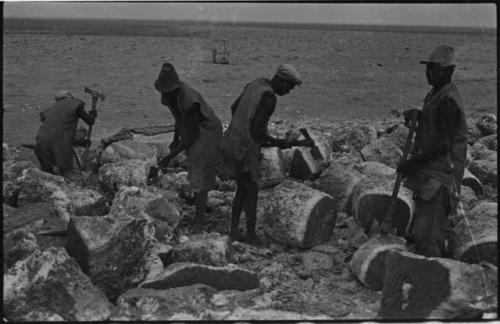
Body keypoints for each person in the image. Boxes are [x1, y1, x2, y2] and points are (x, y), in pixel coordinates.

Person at [218, 64, 312, 245]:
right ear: (283, 81)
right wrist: (282, 143)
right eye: (290, 87)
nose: (289, 92)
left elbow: (234, 107)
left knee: (242, 188)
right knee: (251, 189)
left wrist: (241, 126)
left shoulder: (256, 84)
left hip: (231, 141)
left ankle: (234, 231)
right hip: (244, 149)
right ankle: (251, 235)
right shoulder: (269, 98)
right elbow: (258, 134)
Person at [388, 45, 468, 257]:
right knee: (423, 223)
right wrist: (420, 115)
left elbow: (444, 144)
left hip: (441, 174)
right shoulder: (436, 93)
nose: (430, 74)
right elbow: (436, 122)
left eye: (436, 69)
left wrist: (411, 162)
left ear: (449, 71)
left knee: (429, 230)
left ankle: (433, 269)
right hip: (430, 171)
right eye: (428, 68)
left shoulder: (449, 100)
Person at [154, 62, 223, 232]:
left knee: (199, 172)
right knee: (194, 168)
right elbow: (178, 117)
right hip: (192, 128)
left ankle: (200, 220)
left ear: (175, 89)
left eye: (168, 92)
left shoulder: (189, 100)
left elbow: (192, 135)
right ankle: (199, 212)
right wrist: (175, 139)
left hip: (207, 131)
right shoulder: (168, 95)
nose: (165, 96)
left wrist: (170, 156)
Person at [35, 91, 96, 178]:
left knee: (48, 176)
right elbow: (90, 121)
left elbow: (57, 131)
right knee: (72, 174)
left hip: (41, 143)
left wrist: (80, 142)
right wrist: (93, 113)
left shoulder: (50, 109)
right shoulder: (75, 104)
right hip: (60, 145)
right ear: (70, 97)